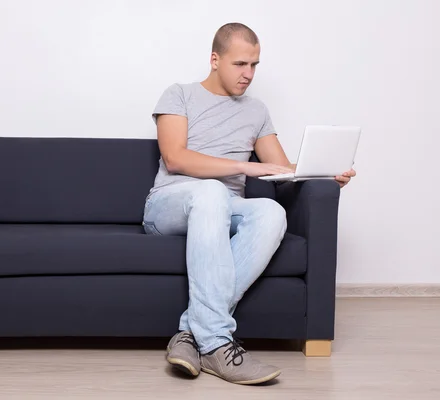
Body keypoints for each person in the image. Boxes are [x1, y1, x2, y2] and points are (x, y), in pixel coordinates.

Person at [143, 22, 356, 385]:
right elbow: (175, 157)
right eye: (240, 64)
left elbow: (281, 168)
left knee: (272, 211)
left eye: (254, 65)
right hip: (170, 205)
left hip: (222, 209)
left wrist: (324, 172)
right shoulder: (179, 94)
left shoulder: (256, 110)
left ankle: (191, 334)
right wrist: (242, 165)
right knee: (211, 191)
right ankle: (216, 343)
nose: (249, 74)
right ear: (215, 59)